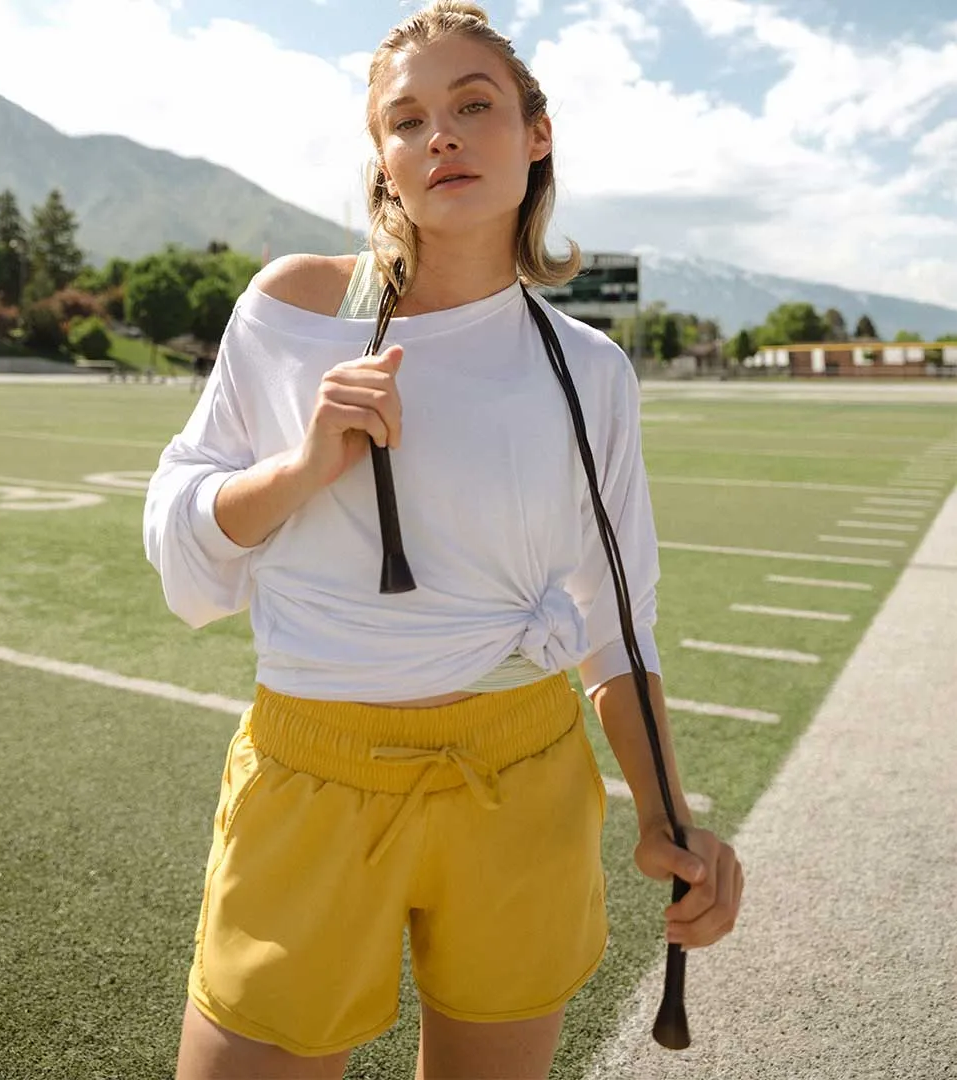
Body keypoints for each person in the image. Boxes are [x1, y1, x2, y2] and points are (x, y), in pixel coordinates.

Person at [144, 3, 743, 1077]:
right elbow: (181, 543)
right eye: (407, 120)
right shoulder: (292, 309)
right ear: (383, 158)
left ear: (536, 133)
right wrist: (302, 465)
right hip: (312, 777)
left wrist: (664, 814)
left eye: (474, 106)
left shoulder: (588, 368)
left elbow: (617, 619)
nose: (442, 137)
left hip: (524, 779)